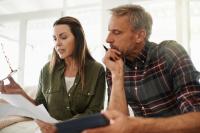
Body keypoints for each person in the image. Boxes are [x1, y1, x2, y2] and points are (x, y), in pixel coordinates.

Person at [83, 4, 200, 133]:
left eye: (116, 32)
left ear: (139, 36)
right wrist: (116, 75)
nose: (108, 39)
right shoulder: (115, 64)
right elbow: (116, 121)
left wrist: (138, 126)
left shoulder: (169, 53)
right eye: (109, 31)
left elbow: (197, 119)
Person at [0, 16, 106, 132]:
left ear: (78, 38)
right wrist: (21, 93)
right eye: (55, 39)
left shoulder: (97, 70)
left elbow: (94, 111)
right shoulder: (46, 70)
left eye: (63, 37)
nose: (58, 43)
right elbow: (41, 107)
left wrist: (61, 127)